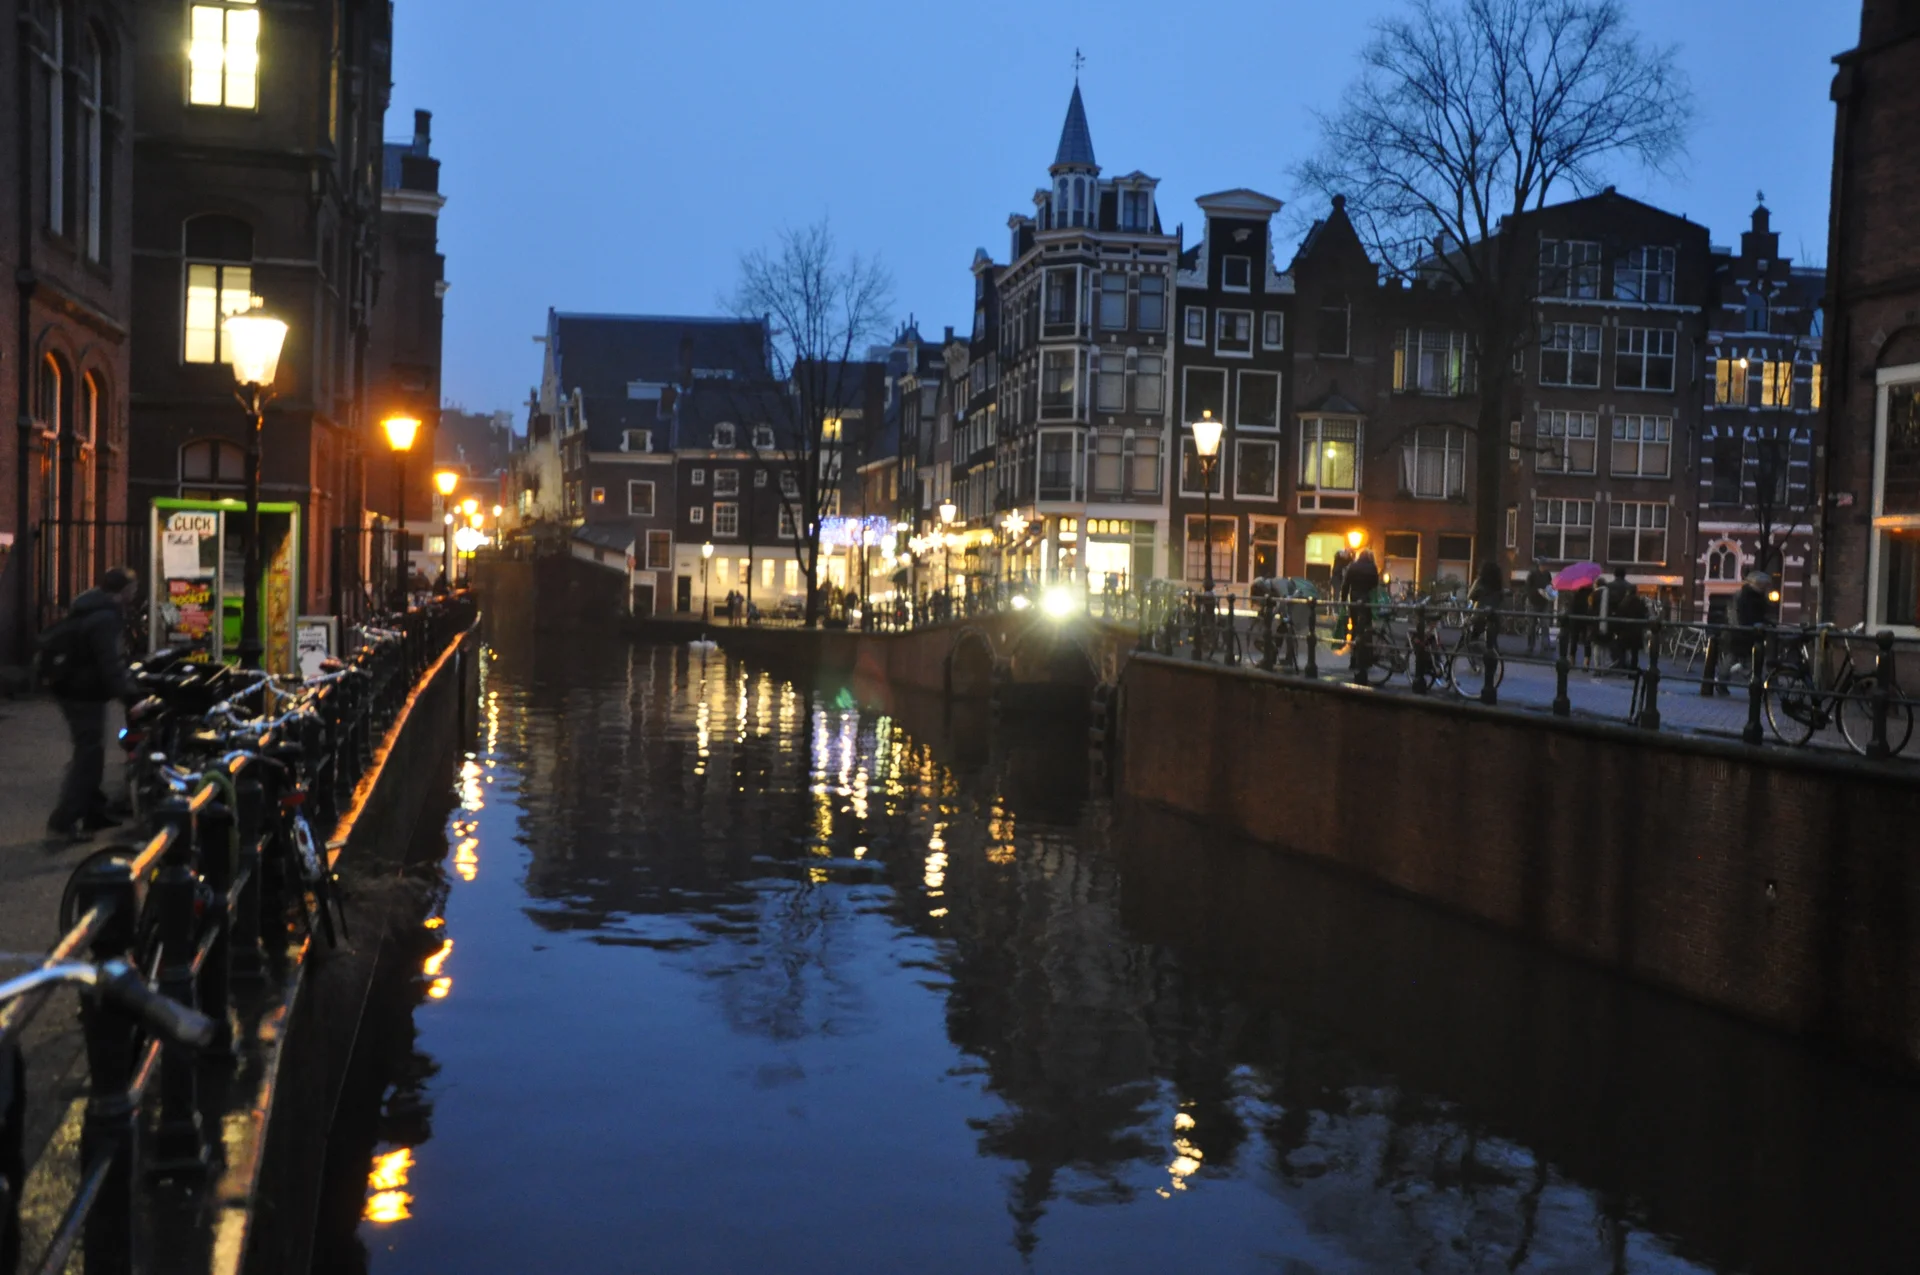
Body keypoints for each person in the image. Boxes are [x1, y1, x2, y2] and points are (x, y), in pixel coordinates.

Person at [40, 566, 139, 842]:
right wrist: (131, 696)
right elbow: (110, 664)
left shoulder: (93, 607)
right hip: (82, 693)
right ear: (123, 591)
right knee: (88, 755)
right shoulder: (105, 618)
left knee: (92, 751)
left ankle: (94, 812)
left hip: (77, 690)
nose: (134, 595)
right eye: (132, 589)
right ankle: (63, 822)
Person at [1343, 548, 1380, 672]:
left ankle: (1353, 660)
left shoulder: (1352, 566)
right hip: (1366, 600)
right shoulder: (1372, 567)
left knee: (1354, 629)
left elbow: (1346, 584)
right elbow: (1375, 584)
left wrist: (1343, 601)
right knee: (1366, 629)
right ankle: (1366, 659)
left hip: (1354, 600)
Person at [1524, 559, 1553, 654]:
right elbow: (1528, 588)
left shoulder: (1547, 574)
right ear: (1539, 566)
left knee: (1545, 624)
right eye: (1543, 565)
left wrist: (1549, 594)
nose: (1544, 567)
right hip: (1533, 602)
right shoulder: (1532, 574)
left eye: (1545, 566)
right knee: (1531, 625)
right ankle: (1530, 646)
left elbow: (1550, 586)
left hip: (1544, 602)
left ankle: (1545, 645)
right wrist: (1537, 592)